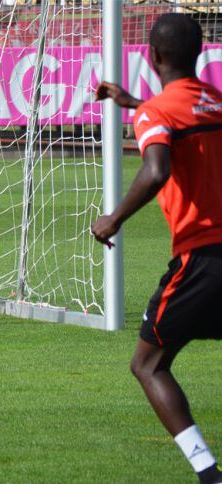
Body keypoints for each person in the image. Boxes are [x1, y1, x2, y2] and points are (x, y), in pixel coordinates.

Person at [92, 13, 222, 484]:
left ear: (152, 55)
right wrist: (133, 103)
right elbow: (181, 120)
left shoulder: (158, 114)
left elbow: (157, 170)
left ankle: (209, 474)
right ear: (202, 52)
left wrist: (113, 218)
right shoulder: (215, 102)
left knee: (147, 364)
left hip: (202, 258)